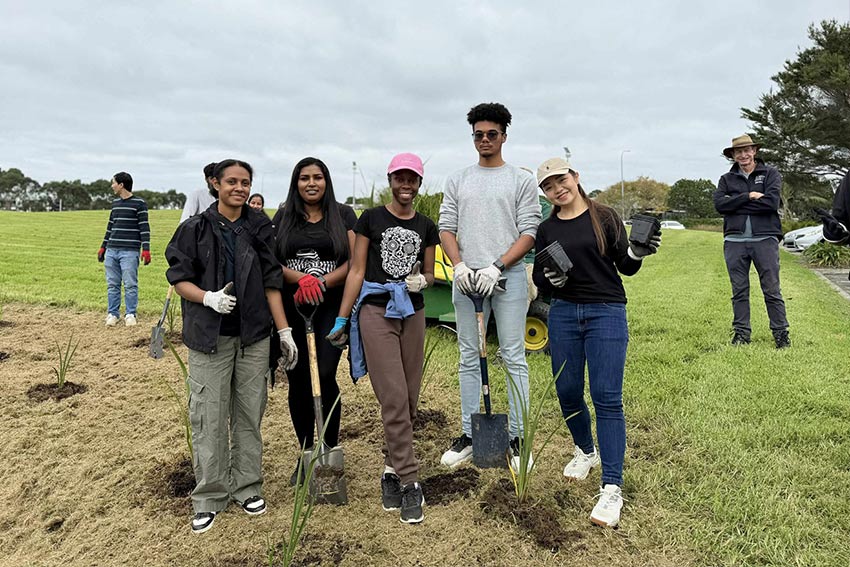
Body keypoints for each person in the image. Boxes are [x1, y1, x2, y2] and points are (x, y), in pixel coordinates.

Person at [165, 159, 299, 535]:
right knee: (208, 416)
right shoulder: (195, 229)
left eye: (246, 182)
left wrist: (284, 331)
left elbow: (273, 281)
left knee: (248, 413)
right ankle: (209, 495)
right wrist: (207, 298)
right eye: (232, 182)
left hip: (254, 337)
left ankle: (247, 486)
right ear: (214, 183)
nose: (240, 188)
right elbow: (179, 278)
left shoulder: (260, 229)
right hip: (210, 339)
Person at [532, 157, 660, 529]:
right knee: (568, 391)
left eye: (562, 179)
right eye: (549, 186)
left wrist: (638, 251)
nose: (558, 188)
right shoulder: (546, 228)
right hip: (564, 314)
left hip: (606, 311)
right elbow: (542, 276)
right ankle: (585, 451)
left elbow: (627, 265)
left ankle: (612, 486)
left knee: (606, 397)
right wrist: (551, 281)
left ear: (575, 177)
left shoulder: (604, 216)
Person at [328, 153, 439, 524]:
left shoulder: (426, 224)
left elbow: (431, 272)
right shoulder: (371, 219)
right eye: (400, 179)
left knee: (409, 395)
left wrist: (423, 280)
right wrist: (343, 318)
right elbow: (357, 270)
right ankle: (409, 480)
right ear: (391, 180)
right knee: (392, 395)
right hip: (376, 310)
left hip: (413, 310)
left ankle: (391, 469)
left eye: (413, 180)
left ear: (419, 184)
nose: (406, 185)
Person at [438, 102, 541, 471]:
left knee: (513, 355)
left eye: (491, 134)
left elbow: (530, 231)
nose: (484, 140)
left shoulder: (520, 180)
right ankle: (470, 433)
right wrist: (460, 265)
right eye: (478, 135)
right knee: (468, 356)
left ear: (504, 136)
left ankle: (516, 438)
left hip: (508, 279)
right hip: (467, 281)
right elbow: (446, 227)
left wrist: (498, 267)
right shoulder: (458, 179)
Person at [274, 157, 357, 485]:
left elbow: (354, 261)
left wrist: (322, 282)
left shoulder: (344, 214)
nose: (311, 183)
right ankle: (307, 452)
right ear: (296, 182)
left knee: (323, 373)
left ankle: (329, 447)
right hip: (294, 307)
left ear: (326, 181)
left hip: (330, 308)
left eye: (318, 177)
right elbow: (271, 260)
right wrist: (299, 279)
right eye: (304, 178)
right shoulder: (284, 216)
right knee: (297, 378)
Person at [713, 134, 790, 348]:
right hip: (734, 240)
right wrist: (749, 197)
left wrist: (734, 203)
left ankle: (781, 333)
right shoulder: (726, 179)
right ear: (733, 155)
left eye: (747, 150)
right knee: (739, 290)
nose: (743, 155)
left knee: (771, 289)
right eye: (739, 151)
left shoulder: (770, 174)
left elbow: (771, 203)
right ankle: (741, 334)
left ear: (754, 151)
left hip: (765, 238)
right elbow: (720, 205)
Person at [97, 171, 151, 327]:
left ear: (121, 185)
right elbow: (110, 227)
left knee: (130, 285)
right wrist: (103, 247)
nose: (112, 186)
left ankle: (130, 314)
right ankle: (113, 314)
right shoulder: (115, 204)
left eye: (113, 183)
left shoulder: (139, 204)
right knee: (112, 284)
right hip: (112, 250)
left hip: (130, 251)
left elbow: (144, 228)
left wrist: (146, 249)